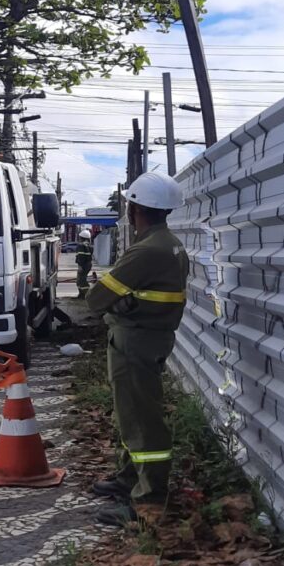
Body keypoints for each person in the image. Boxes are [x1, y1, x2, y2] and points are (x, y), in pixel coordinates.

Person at [85, 171, 189, 527]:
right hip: (150, 338)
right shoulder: (171, 244)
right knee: (130, 414)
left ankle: (148, 501)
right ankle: (128, 480)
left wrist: (119, 302)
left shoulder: (146, 250)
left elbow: (96, 299)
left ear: (135, 209)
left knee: (142, 422)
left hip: (136, 342)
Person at [75, 230, 93, 298]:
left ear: (81, 237)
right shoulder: (89, 245)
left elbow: (81, 257)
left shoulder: (81, 245)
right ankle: (82, 294)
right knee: (81, 280)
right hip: (88, 264)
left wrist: (80, 266)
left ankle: (86, 295)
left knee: (81, 281)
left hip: (83, 265)